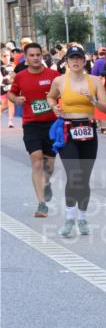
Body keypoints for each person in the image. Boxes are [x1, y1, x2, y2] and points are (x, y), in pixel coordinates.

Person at [46, 44, 106, 238]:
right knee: (73, 175)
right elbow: (51, 97)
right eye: (72, 58)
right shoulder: (59, 81)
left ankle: (82, 218)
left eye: (79, 58)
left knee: (83, 178)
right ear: (67, 61)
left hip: (88, 130)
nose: (75, 61)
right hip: (67, 130)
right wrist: (54, 107)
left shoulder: (95, 81)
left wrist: (93, 100)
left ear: (84, 61)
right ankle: (69, 219)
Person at [8, 43, 57, 216]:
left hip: (52, 124)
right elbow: (11, 93)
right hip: (31, 124)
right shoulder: (21, 77)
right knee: (36, 160)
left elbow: (63, 92)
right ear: (26, 58)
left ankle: (47, 182)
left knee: (49, 164)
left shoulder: (53, 75)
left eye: (38, 55)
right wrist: (16, 99)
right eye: (32, 55)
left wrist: (55, 96)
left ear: (42, 56)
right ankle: (41, 204)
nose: (35, 58)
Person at [1, 48, 14, 128]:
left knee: (11, 103)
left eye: (8, 55)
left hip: (11, 87)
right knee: (4, 105)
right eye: (4, 56)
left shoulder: (13, 65)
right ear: (1, 57)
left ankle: (10, 122)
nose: (6, 57)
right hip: (3, 87)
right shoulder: (0, 66)